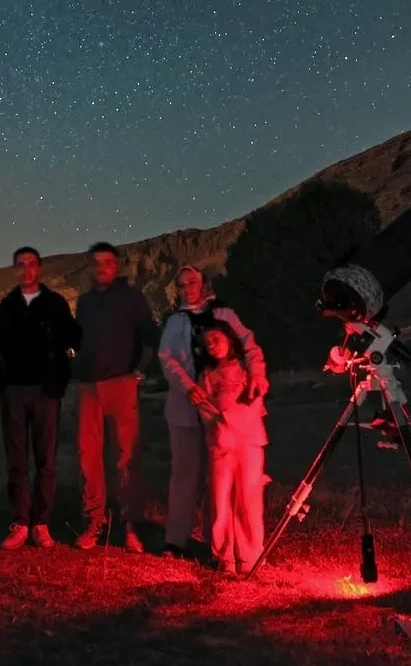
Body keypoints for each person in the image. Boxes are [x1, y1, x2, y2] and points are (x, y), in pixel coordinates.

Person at [157, 265, 263, 559]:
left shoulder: (223, 315)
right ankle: (175, 540)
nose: (186, 289)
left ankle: (220, 545)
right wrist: (187, 385)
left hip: (225, 411)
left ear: (203, 284)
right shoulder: (174, 322)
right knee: (185, 474)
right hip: (187, 407)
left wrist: (257, 374)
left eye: (191, 282)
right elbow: (166, 359)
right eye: (181, 285)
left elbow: (249, 345)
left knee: (222, 481)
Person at [0, 247, 81, 549]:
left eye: (31, 265)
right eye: (21, 265)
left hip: (46, 391)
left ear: (39, 268)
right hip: (14, 391)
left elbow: (72, 336)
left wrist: (61, 371)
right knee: (16, 458)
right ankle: (20, 521)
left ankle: (41, 522)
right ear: (15, 270)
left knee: (46, 459)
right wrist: (2, 384)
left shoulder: (55, 303)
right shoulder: (7, 305)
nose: (26, 270)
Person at [72, 242, 159, 552]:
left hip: (121, 383)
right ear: (90, 266)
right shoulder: (85, 303)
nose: (101, 268)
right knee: (88, 456)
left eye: (107, 262)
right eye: (96, 263)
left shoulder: (132, 298)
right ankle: (94, 521)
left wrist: (139, 371)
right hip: (88, 387)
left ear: (117, 266)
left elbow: (150, 336)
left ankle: (130, 523)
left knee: (126, 456)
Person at [186, 321, 270, 576]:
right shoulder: (207, 376)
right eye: (207, 342)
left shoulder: (246, 370)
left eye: (216, 339)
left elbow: (256, 402)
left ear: (229, 339)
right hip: (220, 444)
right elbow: (205, 409)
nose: (211, 345)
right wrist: (220, 427)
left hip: (249, 442)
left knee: (248, 498)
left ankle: (250, 556)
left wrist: (230, 421)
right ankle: (224, 557)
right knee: (220, 500)